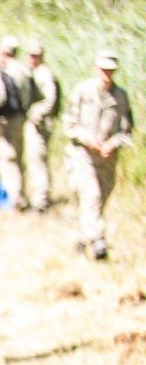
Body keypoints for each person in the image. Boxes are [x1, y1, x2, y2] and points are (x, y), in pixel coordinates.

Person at [64, 49, 133, 261]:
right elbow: (69, 125)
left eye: (110, 70)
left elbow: (127, 131)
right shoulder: (83, 91)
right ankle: (98, 242)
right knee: (91, 197)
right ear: (96, 68)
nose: (107, 74)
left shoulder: (120, 96)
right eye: (103, 70)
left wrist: (112, 143)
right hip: (82, 156)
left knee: (99, 200)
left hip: (107, 159)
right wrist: (87, 139)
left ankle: (81, 237)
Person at [0, 37, 34, 210]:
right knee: (17, 157)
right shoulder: (25, 70)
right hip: (21, 118)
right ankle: (18, 196)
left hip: (8, 120)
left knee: (8, 159)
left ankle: (15, 199)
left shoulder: (8, 71)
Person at [23, 39, 61, 213]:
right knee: (34, 160)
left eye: (36, 56)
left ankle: (41, 201)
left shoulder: (44, 73)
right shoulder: (35, 72)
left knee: (37, 160)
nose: (33, 59)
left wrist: (35, 113)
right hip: (37, 124)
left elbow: (51, 100)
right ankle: (39, 197)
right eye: (31, 55)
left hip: (40, 125)